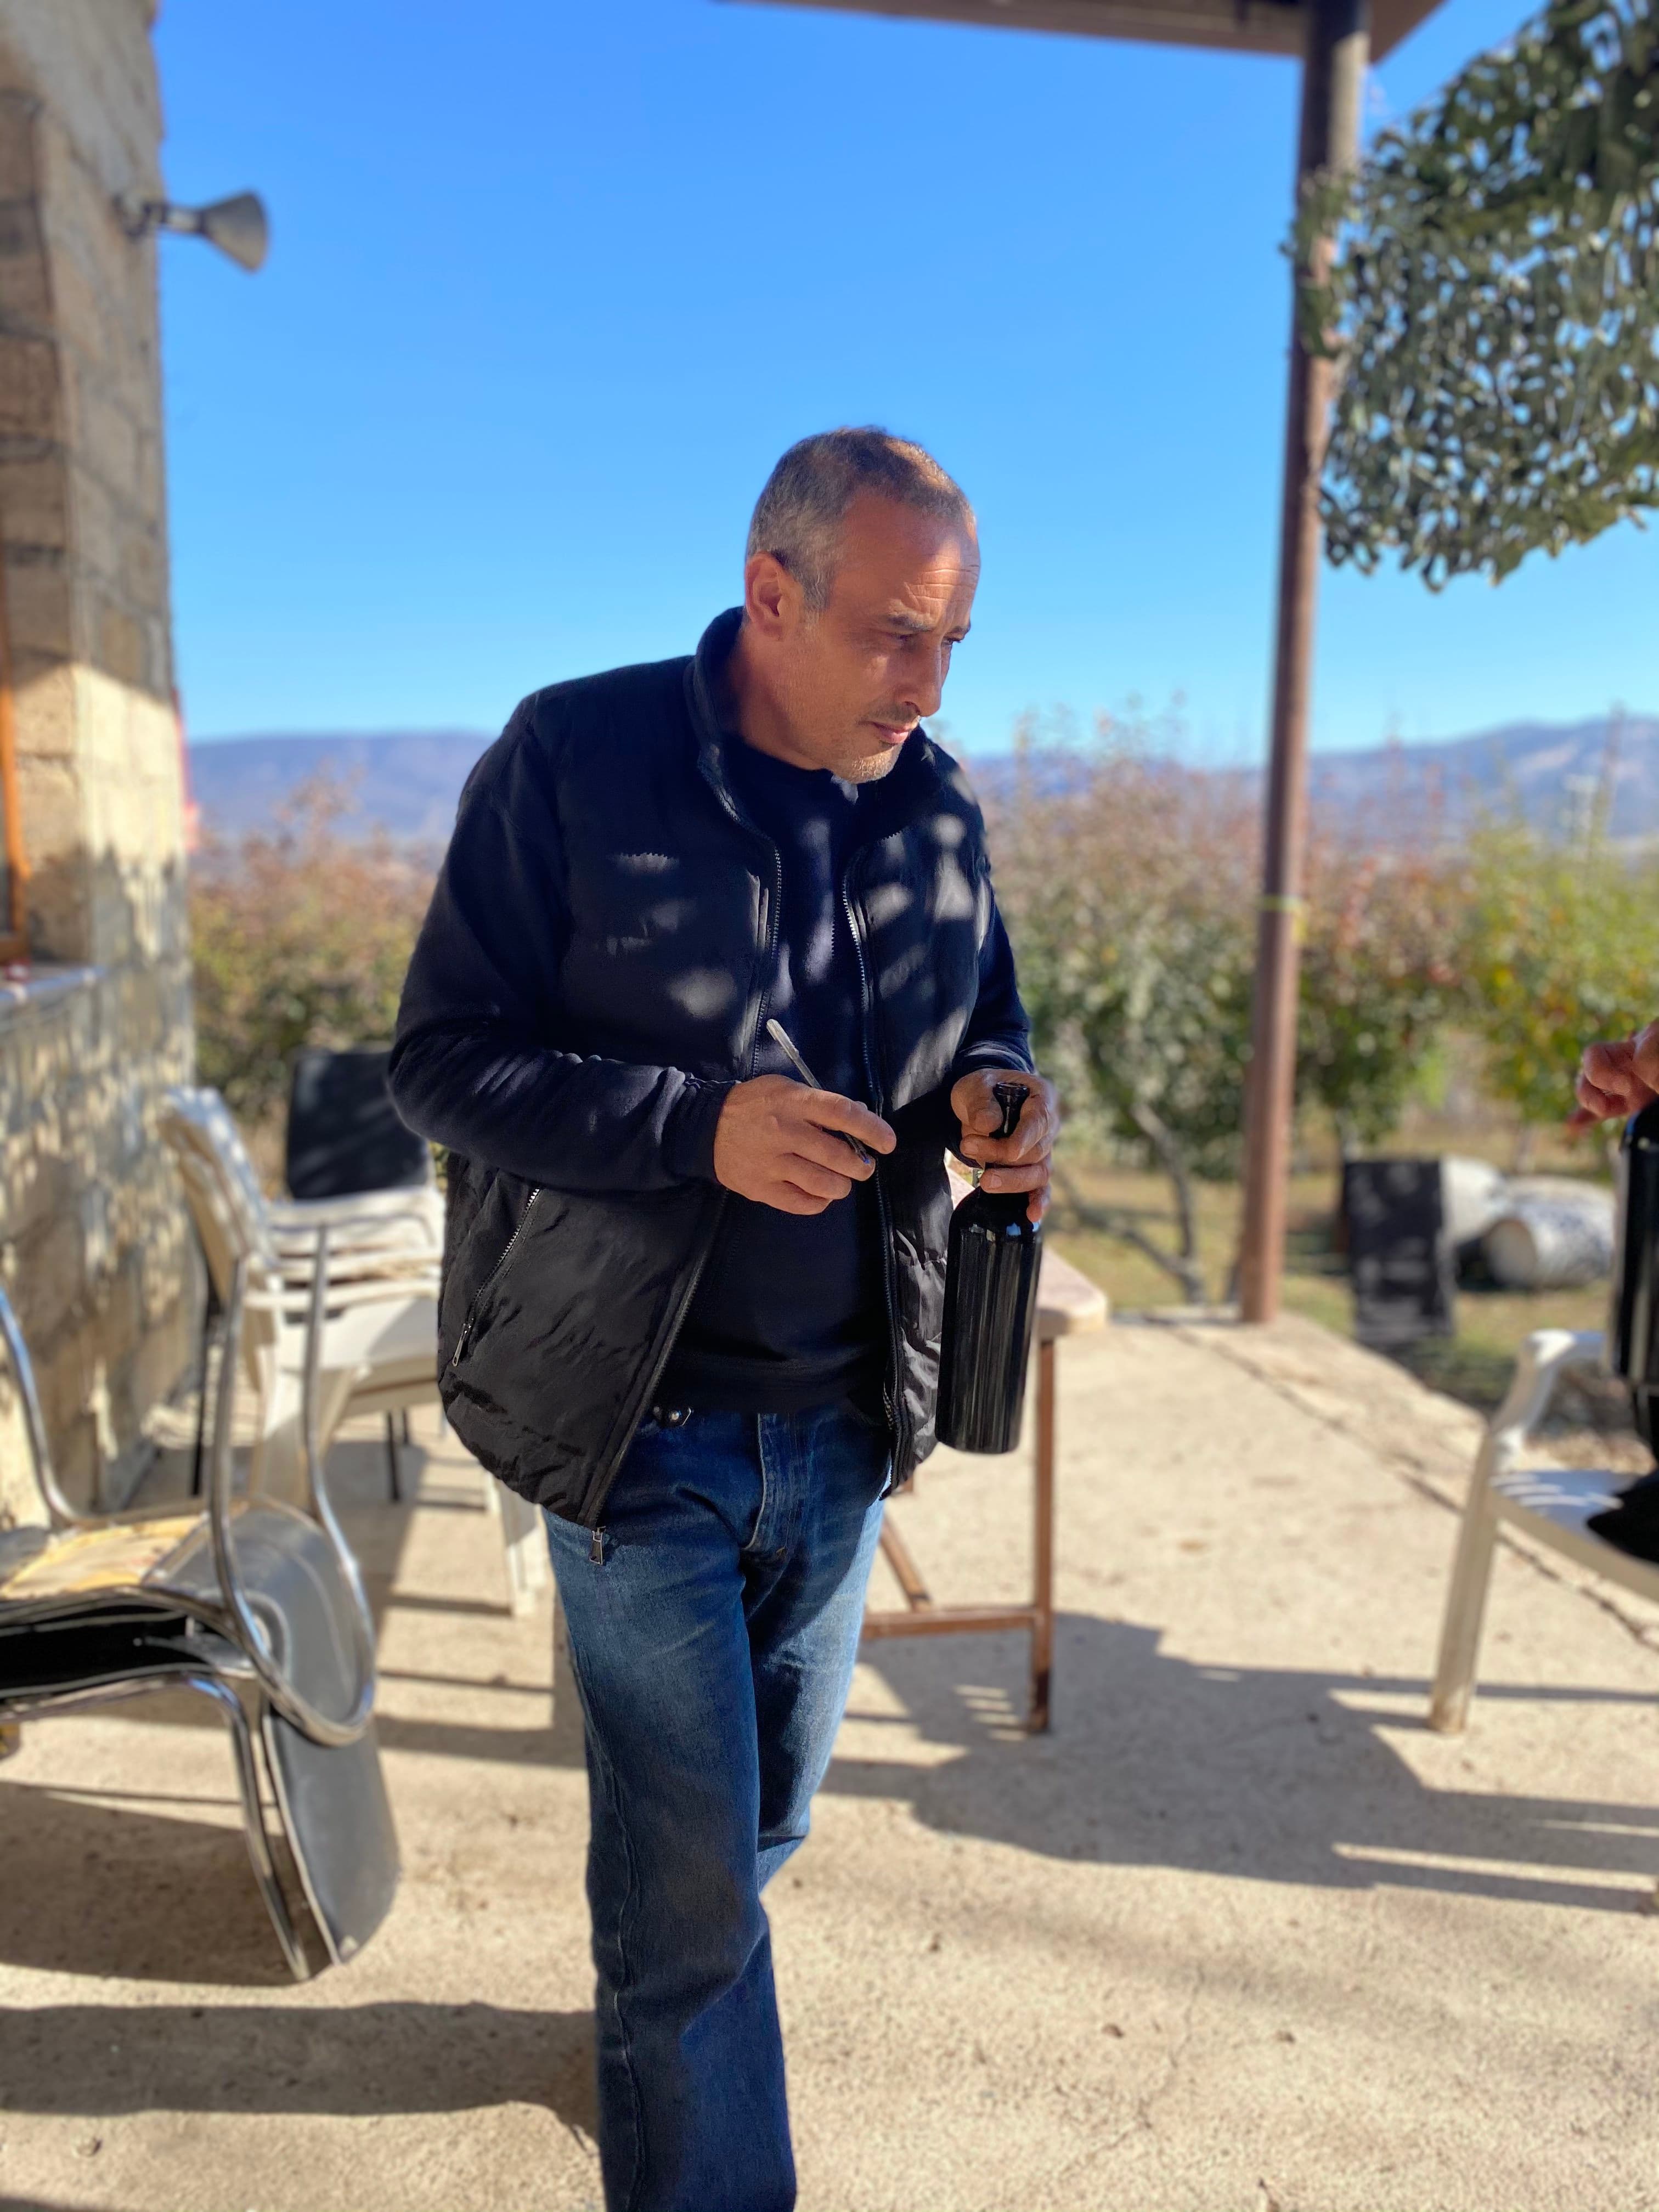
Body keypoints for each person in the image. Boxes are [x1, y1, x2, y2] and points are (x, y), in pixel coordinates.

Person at [389, 427, 1056, 2212]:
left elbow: (985, 1008)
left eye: (953, 641)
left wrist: (999, 1094)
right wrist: (699, 1128)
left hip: (847, 1426)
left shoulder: (934, 800)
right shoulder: (573, 755)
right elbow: (440, 1064)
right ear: (773, 593)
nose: (928, 683)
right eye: (896, 633)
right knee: (696, 1917)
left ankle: (653, 2038)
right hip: (638, 1425)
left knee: (756, 1830)